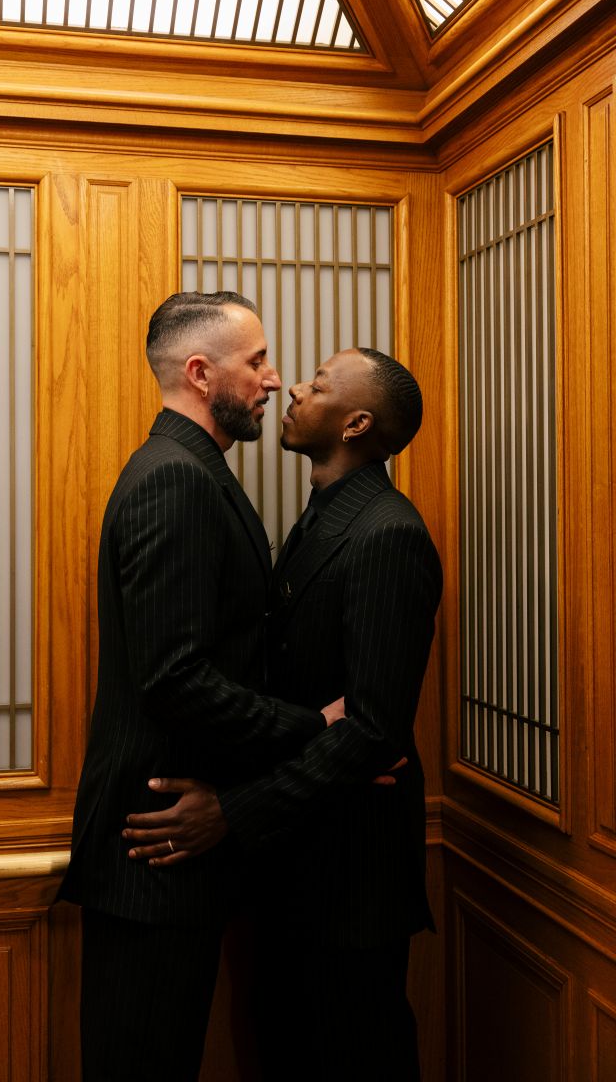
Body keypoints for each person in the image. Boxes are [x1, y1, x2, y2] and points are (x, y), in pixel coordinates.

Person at [122, 346, 443, 1081]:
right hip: (296, 864)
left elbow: (373, 730)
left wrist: (231, 811)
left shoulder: (387, 533)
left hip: (351, 880)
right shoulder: (324, 517)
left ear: (357, 423)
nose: (293, 388)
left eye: (319, 384)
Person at [57, 291, 348, 1082]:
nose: (273, 378)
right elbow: (172, 675)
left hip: (182, 845)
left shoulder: (193, 470)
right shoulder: (174, 479)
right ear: (198, 372)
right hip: (152, 850)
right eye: (256, 362)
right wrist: (313, 728)